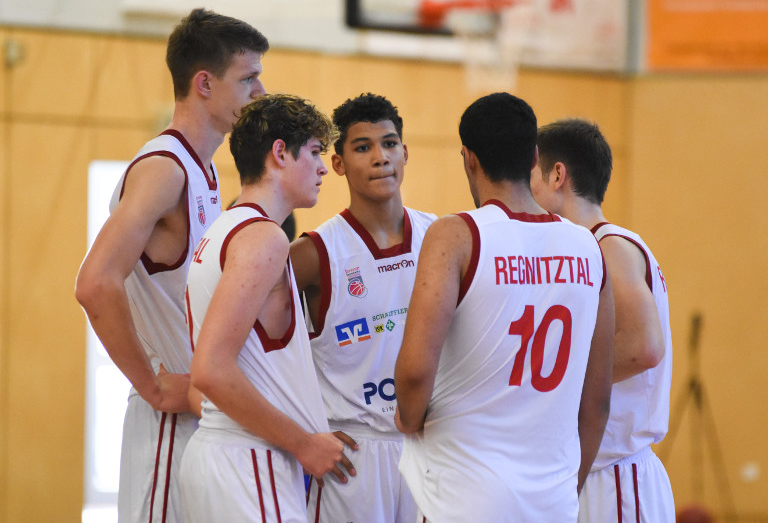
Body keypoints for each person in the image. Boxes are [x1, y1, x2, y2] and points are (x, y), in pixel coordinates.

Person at [74, 8, 268, 523]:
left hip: (201, 419)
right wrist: (154, 385)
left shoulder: (204, 170)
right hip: (167, 425)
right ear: (204, 83)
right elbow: (94, 283)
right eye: (248, 78)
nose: (261, 92)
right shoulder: (164, 168)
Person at [393, 92, 615, 522]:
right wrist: (566, 488)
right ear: (534, 156)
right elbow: (598, 399)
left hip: (465, 495)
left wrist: (407, 416)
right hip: (553, 499)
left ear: (468, 158)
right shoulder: (588, 247)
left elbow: (417, 369)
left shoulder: (456, 235)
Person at [180, 93, 355, 523]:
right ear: (280, 152)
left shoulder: (222, 228)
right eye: (314, 152)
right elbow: (210, 371)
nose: (321, 167)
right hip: (249, 463)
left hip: (223, 459)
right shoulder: (264, 238)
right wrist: (304, 443)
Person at [289, 93, 435, 522]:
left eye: (389, 144)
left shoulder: (443, 238)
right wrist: (299, 430)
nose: (380, 158)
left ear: (405, 153)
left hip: (428, 450)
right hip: (352, 456)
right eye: (362, 147)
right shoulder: (314, 253)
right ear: (338, 164)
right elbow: (247, 339)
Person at [531, 118, 675, 522]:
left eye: (531, 178)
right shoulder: (585, 247)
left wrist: (550, 381)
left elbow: (644, 347)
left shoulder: (609, 246)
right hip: (594, 472)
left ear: (557, 175)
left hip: (616, 476)